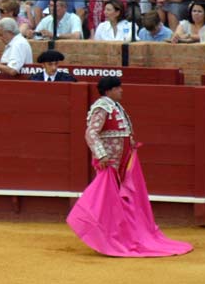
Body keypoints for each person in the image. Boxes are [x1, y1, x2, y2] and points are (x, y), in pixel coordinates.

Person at [67, 76, 193, 257]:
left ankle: (115, 234)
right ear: (109, 90)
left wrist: (131, 145)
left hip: (122, 162)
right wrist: (101, 154)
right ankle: (96, 229)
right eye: (118, 88)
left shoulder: (115, 106)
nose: (122, 90)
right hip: (110, 162)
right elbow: (91, 133)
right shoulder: (102, 106)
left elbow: (122, 132)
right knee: (106, 198)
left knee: (117, 199)